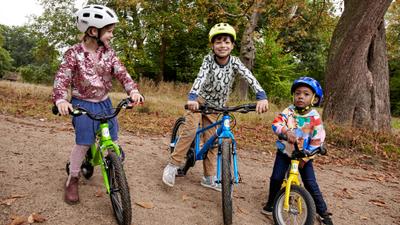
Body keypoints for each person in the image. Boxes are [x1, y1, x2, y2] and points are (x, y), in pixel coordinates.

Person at [51, 4, 144, 204]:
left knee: (113, 139)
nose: (111, 35)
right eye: (109, 31)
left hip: (104, 103)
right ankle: (73, 178)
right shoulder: (73, 53)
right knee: (83, 142)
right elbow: (62, 78)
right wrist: (60, 99)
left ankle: (114, 163)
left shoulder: (109, 53)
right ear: (94, 31)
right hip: (82, 104)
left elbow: (122, 73)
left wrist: (133, 90)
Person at [162, 22, 269, 191]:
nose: (222, 45)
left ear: (232, 45)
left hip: (217, 106)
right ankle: (173, 165)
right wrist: (192, 97)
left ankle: (209, 177)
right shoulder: (208, 60)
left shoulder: (235, 62)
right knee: (190, 129)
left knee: (213, 141)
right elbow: (200, 77)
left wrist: (261, 96)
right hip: (200, 101)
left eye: (226, 41)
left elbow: (249, 76)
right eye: (218, 41)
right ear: (212, 45)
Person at [261, 77, 333, 225]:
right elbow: (276, 123)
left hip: (304, 156)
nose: (300, 96)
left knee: (310, 183)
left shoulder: (314, 117)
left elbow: (318, 138)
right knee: (276, 178)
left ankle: (322, 211)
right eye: (298, 93)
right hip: (285, 153)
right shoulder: (289, 111)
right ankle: (271, 203)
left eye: (306, 94)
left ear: (314, 98)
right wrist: (286, 131)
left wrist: (307, 155)